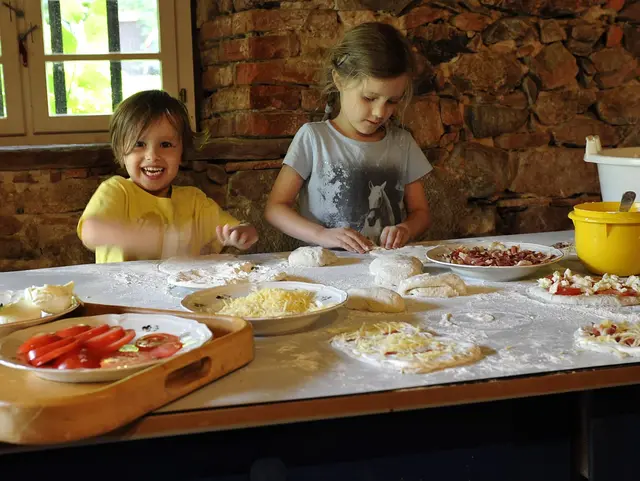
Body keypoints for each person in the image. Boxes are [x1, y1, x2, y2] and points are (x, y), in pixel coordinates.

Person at [264, 22, 432, 254]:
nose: (380, 113)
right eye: (369, 98)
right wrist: (321, 235)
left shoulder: (403, 144)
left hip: (387, 266)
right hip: (327, 269)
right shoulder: (314, 138)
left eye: (392, 101)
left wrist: (406, 229)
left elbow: (421, 213)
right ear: (340, 80)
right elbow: (275, 208)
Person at [78, 90, 258, 263]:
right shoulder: (117, 191)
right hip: (119, 294)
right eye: (139, 144)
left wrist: (242, 232)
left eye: (165, 144)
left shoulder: (194, 202)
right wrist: (138, 237)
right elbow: (90, 232)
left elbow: (235, 227)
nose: (152, 155)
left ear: (182, 153)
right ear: (121, 152)